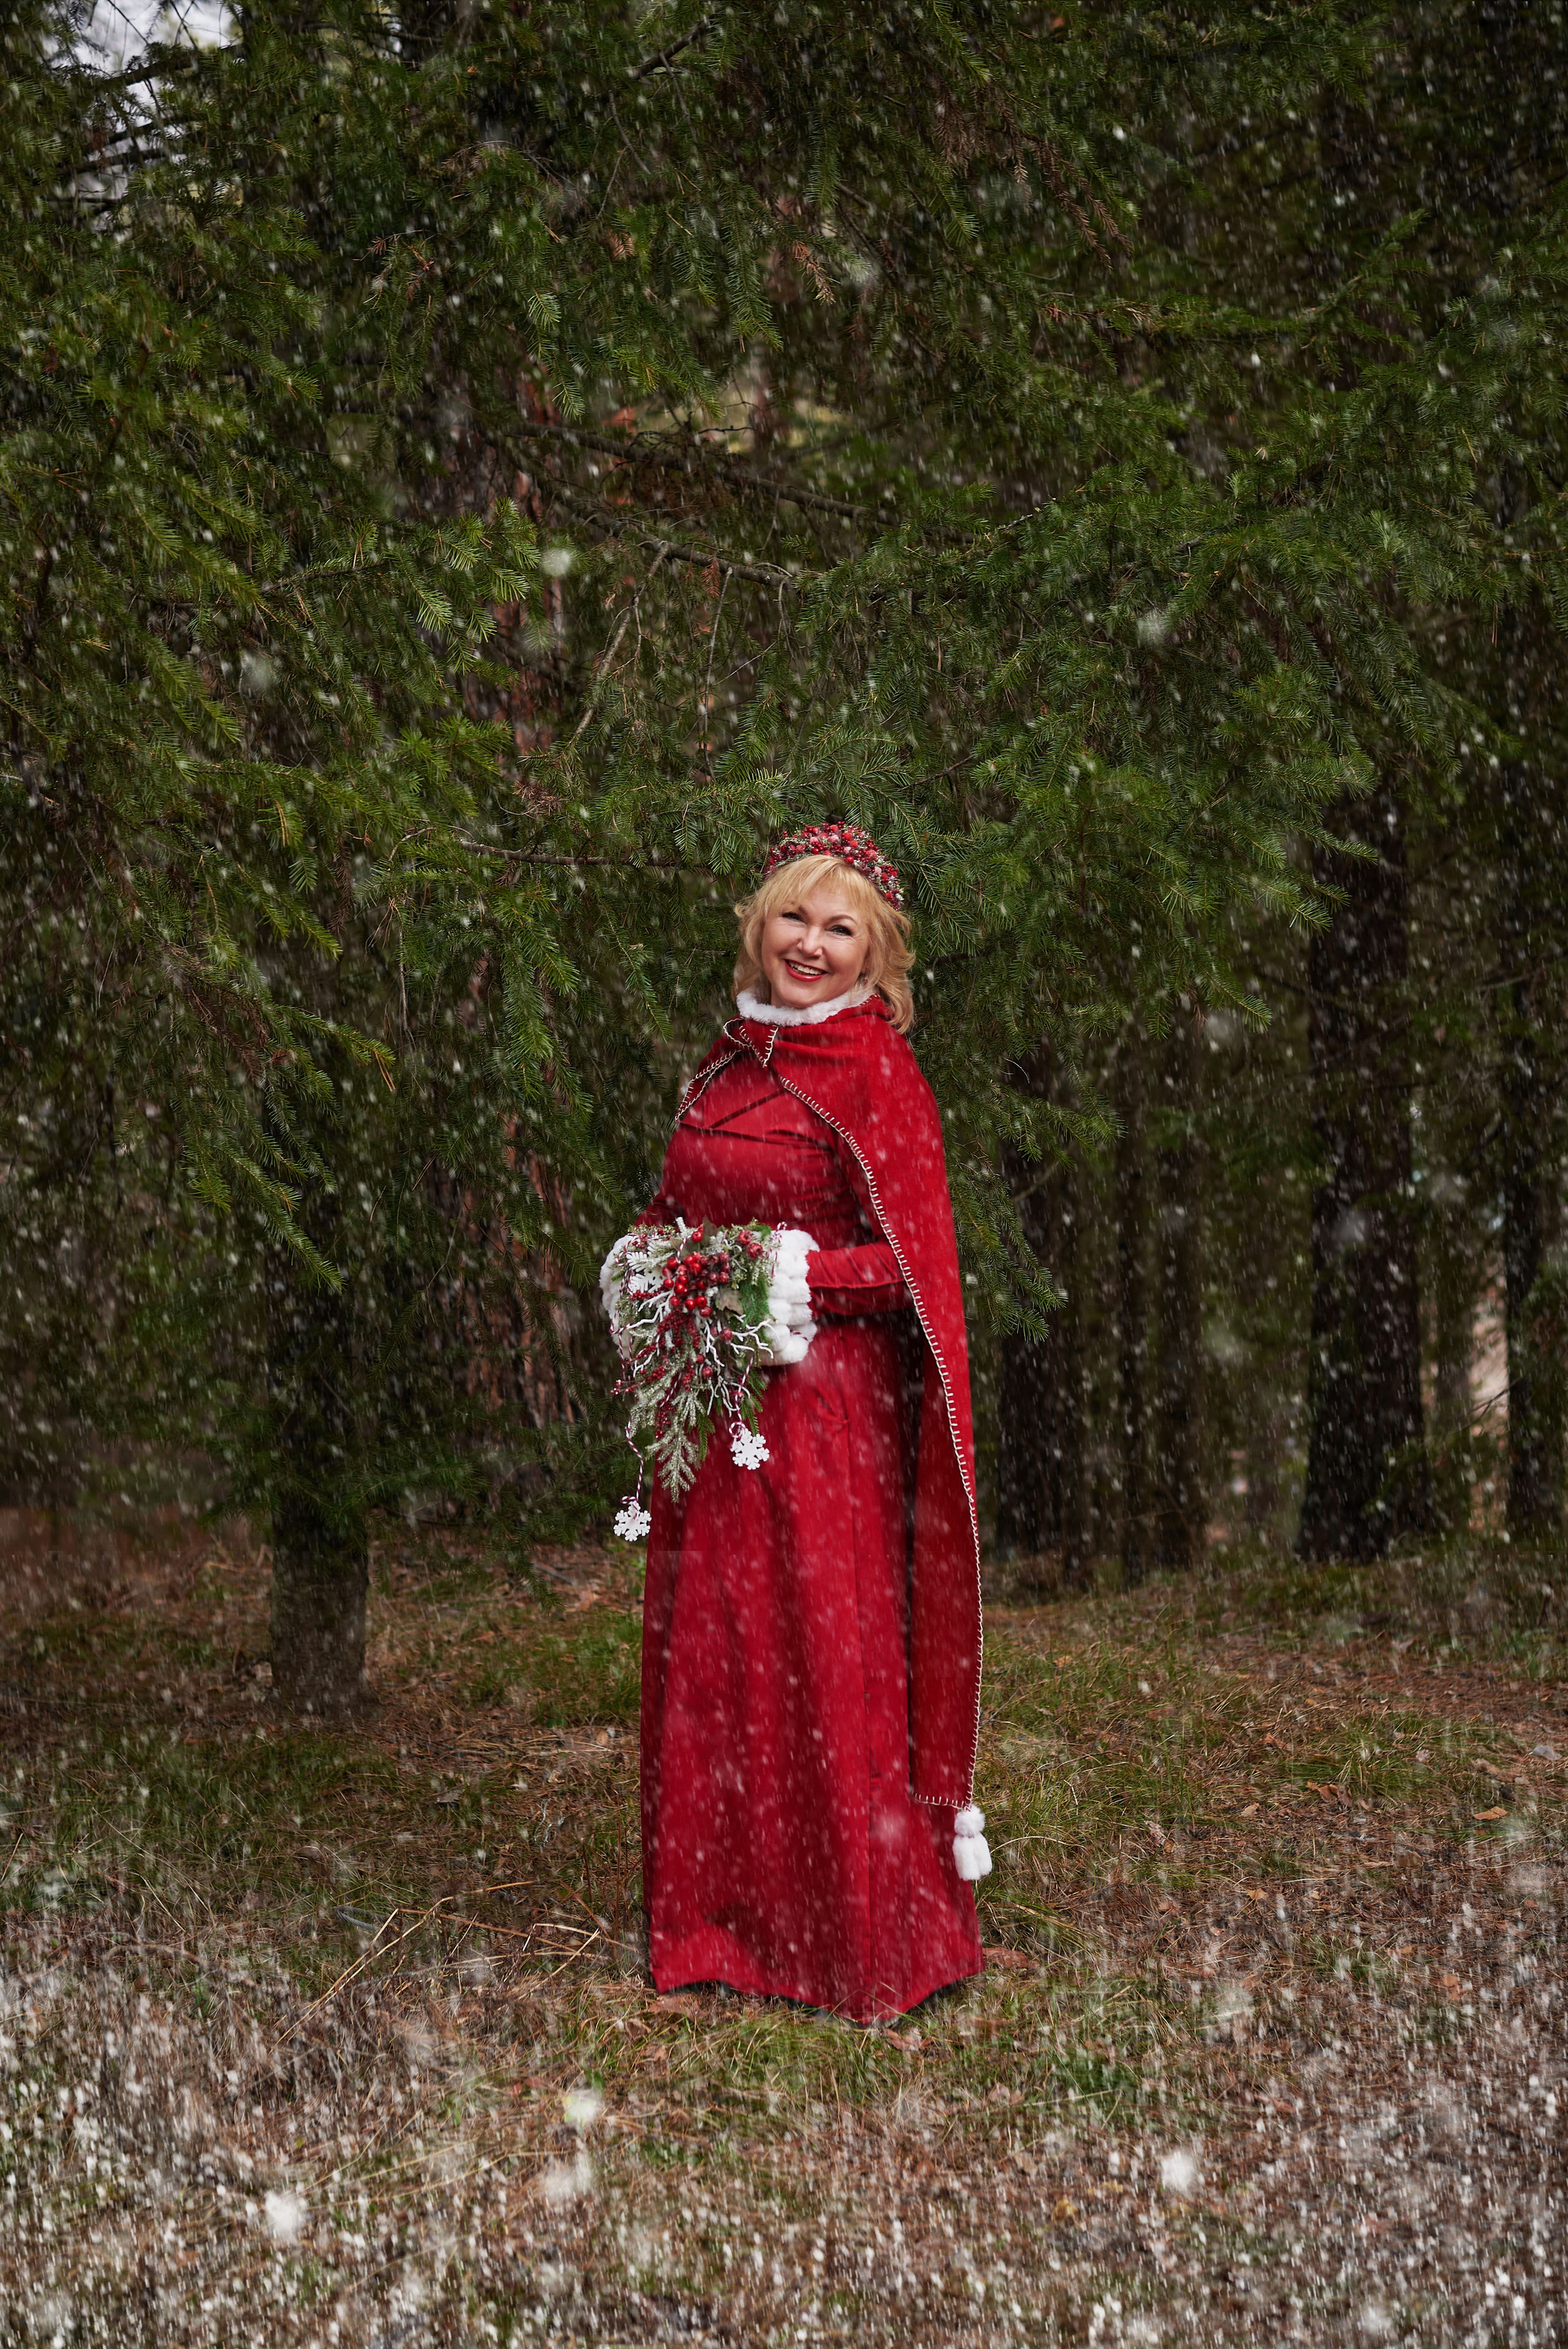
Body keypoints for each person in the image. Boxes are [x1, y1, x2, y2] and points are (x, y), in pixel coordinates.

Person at [612, 823, 989, 2023]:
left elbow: (916, 1270)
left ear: (875, 952)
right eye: (793, 919)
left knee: (819, 1662)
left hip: (826, 1419)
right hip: (714, 1417)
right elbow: (678, 1203)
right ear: (757, 924)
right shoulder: (725, 1064)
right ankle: (723, 1924)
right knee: (720, 1657)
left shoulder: (879, 1073)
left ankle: (847, 1939)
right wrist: (648, 1262)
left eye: (839, 930)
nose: (809, 947)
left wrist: (782, 1280)